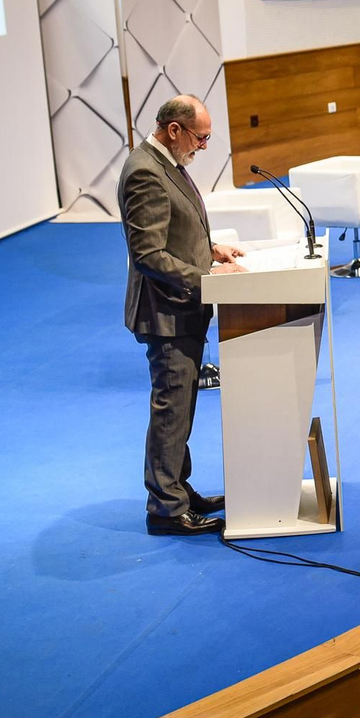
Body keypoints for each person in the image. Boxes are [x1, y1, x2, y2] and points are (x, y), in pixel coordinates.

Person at [119, 94, 244, 536]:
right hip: (165, 312)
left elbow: (174, 228)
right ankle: (166, 509)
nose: (203, 146)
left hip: (181, 307)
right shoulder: (144, 172)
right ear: (175, 130)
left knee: (183, 404)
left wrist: (210, 250)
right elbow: (149, 253)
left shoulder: (167, 164)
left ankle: (177, 488)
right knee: (172, 407)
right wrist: (205, 278)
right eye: (201, 138)